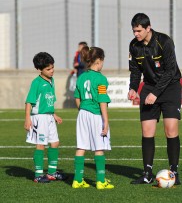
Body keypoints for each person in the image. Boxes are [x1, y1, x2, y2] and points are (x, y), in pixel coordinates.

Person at [127, 13, 182, 185]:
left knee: (170, 130)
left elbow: (171, 70)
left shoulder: (164, 41)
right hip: (149, 87)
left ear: (148, 28)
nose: (136, 34)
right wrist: (134, 88)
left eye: (139, 30)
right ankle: (147, 173)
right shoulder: (134, 46)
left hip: (170, 87)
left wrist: (156, 93)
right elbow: (135, 71)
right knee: (147, 131)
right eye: (134, 30)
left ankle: (174, 172)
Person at [72, 46, 114, 190]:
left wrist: (83, 110)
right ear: (99, 60)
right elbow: (102, 100)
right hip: (96, 115)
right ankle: (101, 181)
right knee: (99, 147)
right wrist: (106, 121)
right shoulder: (101, 79)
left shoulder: (81, 77)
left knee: (81, 146)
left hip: (82, 113)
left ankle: (77, 180)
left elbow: (77, 98)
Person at [24, 52, 67, 183]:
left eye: (52, 67)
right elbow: (29, 102)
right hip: (39, 118)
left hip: (48, 116)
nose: (52, 71)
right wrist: (27, 118)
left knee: (55, 142)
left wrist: (54, 114)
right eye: (48, 69)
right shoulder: (36, 83)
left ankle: (52, 173)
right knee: (41, 144)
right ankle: (38, 174)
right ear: (39, 69)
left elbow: (48, 101)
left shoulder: (51, 81)